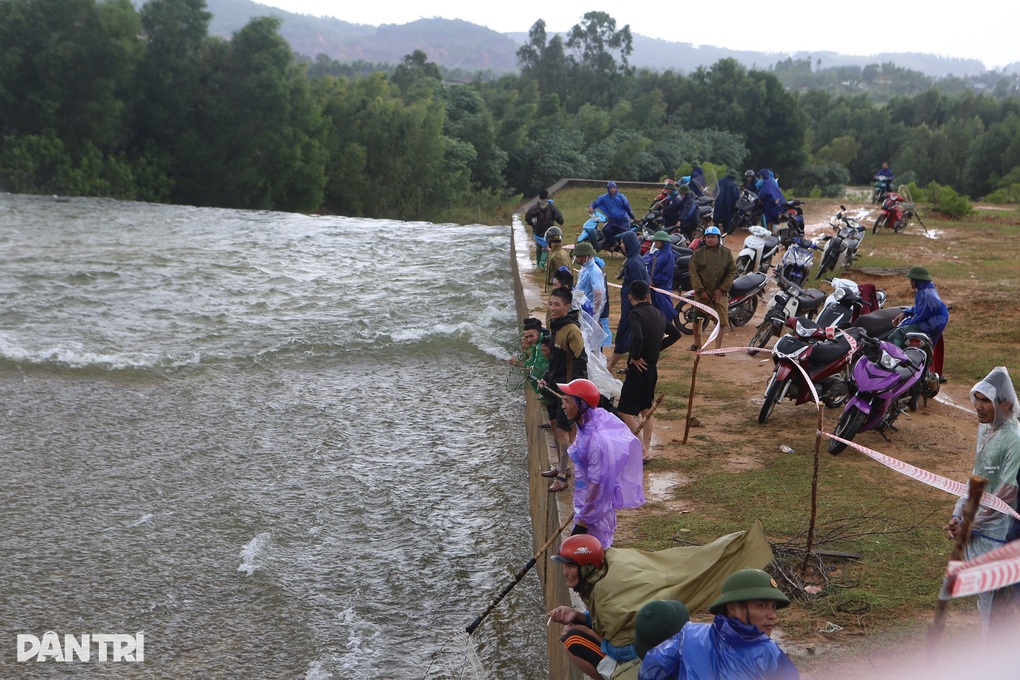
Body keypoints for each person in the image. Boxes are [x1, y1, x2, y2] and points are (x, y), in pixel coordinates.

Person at [548, 524, 776, 680]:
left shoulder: (606, 598)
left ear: (586, 567)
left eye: (569, 565)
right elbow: (618, 620)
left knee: (572, 638)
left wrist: (593, 634)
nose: (565, 572)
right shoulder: (610, 567)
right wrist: (580, 617)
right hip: (664, 638)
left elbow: (622, 649)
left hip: (645, 655)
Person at [944, 367, 1020, 634]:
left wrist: (971, 523)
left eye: (986, 400)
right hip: (982, 525)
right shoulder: (986, 430)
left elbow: (1008, 493)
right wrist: (958, 515)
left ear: (1006, 403)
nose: (977, 406)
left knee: (999, 598)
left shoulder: (1014, 440)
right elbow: (976, 476)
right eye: (976, 398)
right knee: (986, 596)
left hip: (1005, 531)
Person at [638, 568, 799, 680]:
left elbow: (650, 671)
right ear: (733, 608)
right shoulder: (687, 637)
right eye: (762, 605)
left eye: (773, 607)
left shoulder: (689, 635)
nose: (772, 615)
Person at [557, 378, 645, 546]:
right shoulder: (588, 423)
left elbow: (597, 484)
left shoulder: (596, 441)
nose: (563, 406)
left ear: (581, 405)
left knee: (593, 554)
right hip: (586, 507)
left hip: (595, 517)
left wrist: (583, 521)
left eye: (567, 401)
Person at [617, 280, 682, 460]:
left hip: (639, 369)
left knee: (624, 410)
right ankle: (646, 448)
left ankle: (641, 450)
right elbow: (676, 333)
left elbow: (637, 337)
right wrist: (656, 348)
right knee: (646, 409)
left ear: (630, 298)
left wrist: (636, 356)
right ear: (648, 296)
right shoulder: (658, 313)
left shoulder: (635, 314)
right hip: (652, 369)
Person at [540, 288, 587, 492]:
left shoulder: (572, 331)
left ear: (567, 307)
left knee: (563, 431)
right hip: (554, 385)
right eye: (551, 304)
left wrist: (573, 393)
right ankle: (561, 466)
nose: (552, 308)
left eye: (557, 305)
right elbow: (555, 360)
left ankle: (563, 475)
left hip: (567, 391)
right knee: (553, 425)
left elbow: (580, 361)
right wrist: (545, 378)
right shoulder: (554, 326)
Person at [607, 231, 651, 373]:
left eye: (623, 242)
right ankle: (630, 364)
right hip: (632, 304)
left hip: (631, 306)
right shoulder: (637, 258)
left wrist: (636, 301)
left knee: (623, 334)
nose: (621, 245)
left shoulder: (633, 262)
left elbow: (639, 284)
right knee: (632, 335)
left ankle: (609, 367)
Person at [688, 226, 736, 354]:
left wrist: (721, 289)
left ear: (718, 239)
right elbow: (693, 273)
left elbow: (731, 272)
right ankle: (696, 344)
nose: (710, 240)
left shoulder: (726, 253)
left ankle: (717, 348)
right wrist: (700, 290)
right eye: (708, 237)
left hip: (719, 294)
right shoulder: (698, 254)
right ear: (704, 238)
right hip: (702, 293)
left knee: (721, 321)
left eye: (713, 237)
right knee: (697, 318)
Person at [889, 265, 949, 348]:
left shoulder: (926, 294)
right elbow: (919, 308)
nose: (910, 282)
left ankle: (895, 356)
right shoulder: (924, 290)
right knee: (894, 335)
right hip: (930, 322)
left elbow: (921, 315)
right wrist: (905, 313)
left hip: (930, 325)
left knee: (899, 332)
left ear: (916, 280)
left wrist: (905, 324)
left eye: (911, 279)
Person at [589, 181, 637, 251]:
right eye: (611, 188)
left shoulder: (621, 197)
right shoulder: (604, 198)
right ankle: (614, 242)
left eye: (614, 188)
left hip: (623, 220)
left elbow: (627, 208)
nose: (613, 190)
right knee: (605, 230)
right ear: (608, 189)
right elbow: (595, 203)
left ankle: (631, 250)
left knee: (627, 235)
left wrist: (633, 217)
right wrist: (591, 207)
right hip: (612, 221)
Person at [525, 190, 564, 269]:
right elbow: (560, 219)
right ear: (547, 197)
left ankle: (538, 263)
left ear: (539, 197)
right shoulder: (551, 207)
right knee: (546, 247)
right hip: (548, 232)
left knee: (539, 246)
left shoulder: (534, 208)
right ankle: (541, 265)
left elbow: (527, 218)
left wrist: (532, 224)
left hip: (537, 232)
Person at [644, 231, 677, 322]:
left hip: (663, 287)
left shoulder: (669, 255)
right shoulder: (657, 253)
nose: (656, 242)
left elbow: (667, 273)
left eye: (658, 240)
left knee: (665, 308)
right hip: (653, 287)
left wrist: (654, 280)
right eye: (655, 240)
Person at [544, 226, 571, 292]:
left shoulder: (557, 256)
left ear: (549, 241)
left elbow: (565, 276)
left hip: (559, 291)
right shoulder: (563, 252)